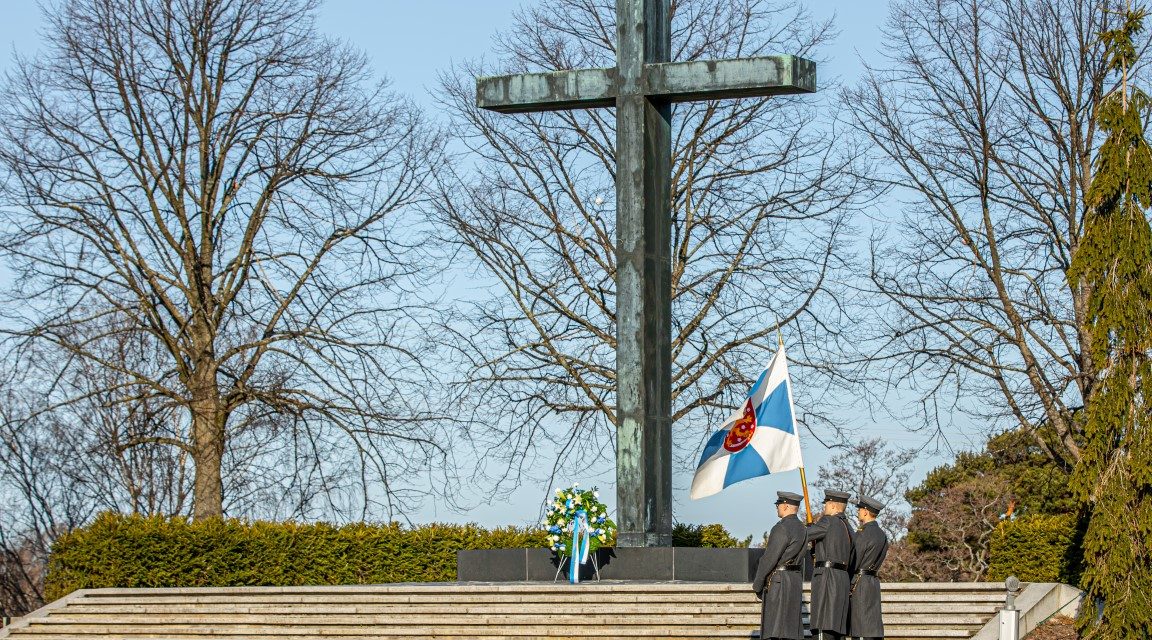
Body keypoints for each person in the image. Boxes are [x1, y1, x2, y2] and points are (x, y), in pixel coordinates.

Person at [752, 491, 808, 640]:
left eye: (778, 504)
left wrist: (757, 584)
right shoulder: (803, 529)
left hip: (779, 581)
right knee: (790, 631)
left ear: (785, 506)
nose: (777, 507)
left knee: (775, 630)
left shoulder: (781, 528)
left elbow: (769, 559)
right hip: (795, 580)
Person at [807, 489, 855, 640]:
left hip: (827, 580)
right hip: (842, 580)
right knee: (836, 632)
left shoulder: (827, 521)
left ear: (833, 506)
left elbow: (803, 536)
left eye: (826, 504)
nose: (824, 508)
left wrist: (809, 527)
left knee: (822, 629)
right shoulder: (849, 528)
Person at [849, 495, 889, 640]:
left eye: (859, 509)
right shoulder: (882, 535)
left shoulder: (863, 533)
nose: (858, 512)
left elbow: (854, 559)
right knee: (872, 625)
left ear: (865, 511)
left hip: (859, 582)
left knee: (860, 626)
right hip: (873, 581)